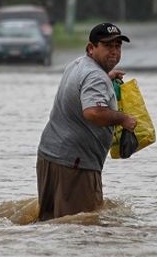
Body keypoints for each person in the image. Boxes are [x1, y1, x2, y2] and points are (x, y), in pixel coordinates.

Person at [36, 22, 137, 221]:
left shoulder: (78, 65)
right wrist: (124, 119)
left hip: (50, 157)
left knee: (50, 224)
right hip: (75, 165)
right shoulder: (95, 77)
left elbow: (84, 87)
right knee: (83, 229)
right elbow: (93, 112)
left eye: (118, 46)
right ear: (91, 48)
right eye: (108, 46)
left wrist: (106, 78)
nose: (114, 52)